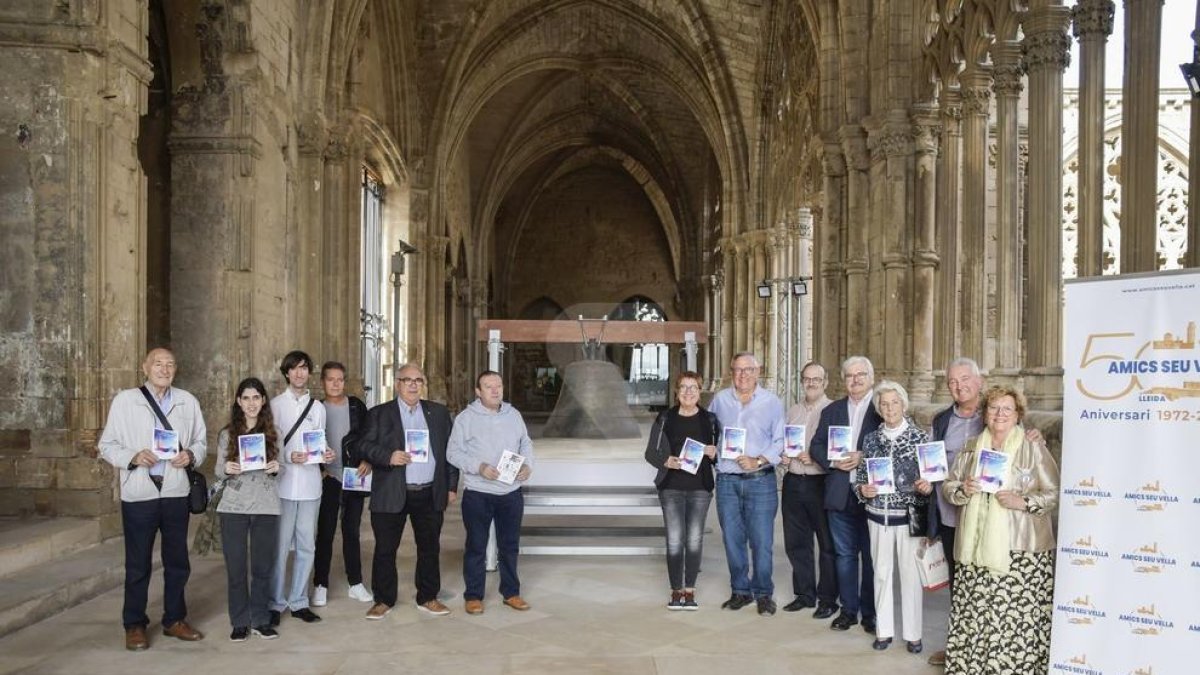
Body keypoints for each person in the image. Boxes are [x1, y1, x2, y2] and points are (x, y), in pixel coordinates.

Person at [926, 358, 1044, 667]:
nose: (959, 386)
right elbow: (939, 471)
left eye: (965, 379)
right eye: (952, 381)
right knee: (964, 591)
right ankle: (962, 650)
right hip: (955, 518)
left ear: (979, 382)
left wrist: (1035, 438)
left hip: (1002, 527)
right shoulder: (944, 422)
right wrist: (941, 485)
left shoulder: (1007, 426)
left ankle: (1000, 658)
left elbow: (1035, 475)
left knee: (1000, 597)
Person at [942, 385, 1059, 674]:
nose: (1000, 414)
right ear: (984, 414)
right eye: (994, 408)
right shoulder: (971, 447)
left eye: (1007, 408)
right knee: (977, 613)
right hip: (975, 548)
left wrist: (1024, 502)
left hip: (1021, 552)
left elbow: (1054, 493)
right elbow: (948, 487)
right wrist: (963, 489)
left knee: (1014, 618)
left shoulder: (1033, 447)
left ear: (1018, 414)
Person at [99, 347, 207, 650]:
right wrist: (133, 457)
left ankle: (175, 619)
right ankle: (134, 624)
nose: (164, 369)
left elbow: (201, 441)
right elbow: (106, 445)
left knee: (178, 562)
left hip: (175, 492)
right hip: (139, 494)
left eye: (170, 364)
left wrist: (190, 455)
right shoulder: (125, 401)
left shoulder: (187, 401)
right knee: (138, 565)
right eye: (158, 363)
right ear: (145, 368)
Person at [358, 363, 458, 619]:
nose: (413, 385)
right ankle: (383, 600)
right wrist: (388, 456)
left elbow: (450, 452)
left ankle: (428, 597)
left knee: (429, 548)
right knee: (385, 549)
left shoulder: (438, 413)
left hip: (429, 491)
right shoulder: (379, 413)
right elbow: (363, 446)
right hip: (392, 491)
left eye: (418, 380)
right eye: (407, 380)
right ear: (397, 384)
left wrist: (451, 486)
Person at [852, 380, 932, 653]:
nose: (889, 408)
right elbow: (859, 479)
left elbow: (932, 479)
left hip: (910, 517)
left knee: (911, 577)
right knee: (882, 574)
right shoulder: (871, 439)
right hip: (878, 517)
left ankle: (913, 634)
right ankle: (883, 630)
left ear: (903, 405)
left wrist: (928, 486)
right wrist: (863, 489)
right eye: (884, 404)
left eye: (894, 402)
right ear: (878, 408)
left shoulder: (920, 437)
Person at [447, 370, 535, 615]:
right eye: (488, 386)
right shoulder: (466, 418)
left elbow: (526, 442)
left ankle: (511, 593)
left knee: (510, 546)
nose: (495, 391)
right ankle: (473, 596)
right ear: (478, 391)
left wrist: (528, 465)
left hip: (511, 493)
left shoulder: (513, 415)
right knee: (476, 546)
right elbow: (452, 453)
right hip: (479, 493)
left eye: (499, 386)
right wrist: (479, 467)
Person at [707, 352, 784, 616]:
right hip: (727, 481)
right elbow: (709, 431)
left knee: (761, 541)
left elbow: (780, 441)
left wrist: (758, 460)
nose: (743, 375)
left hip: (760, 481)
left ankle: (763, 593)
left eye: (748, 369)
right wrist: (709, 451)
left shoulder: (772, 402)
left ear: (757, 371)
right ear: (731, 372)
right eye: (738, 370)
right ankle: (740, 590)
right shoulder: (720, 400)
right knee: (732, 539)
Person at [810, 355, 882, 633]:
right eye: (850, 375)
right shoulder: (833, 410)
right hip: (840, 493)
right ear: (843, 380)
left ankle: (870, 613)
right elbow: (817, 445)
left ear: (871, 378)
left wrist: (864, 456)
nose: (855, 380)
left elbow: (892, 446)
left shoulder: (882, 407)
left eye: (861, 374)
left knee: (872, 558)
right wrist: (832, 462)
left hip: (872, 494)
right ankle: (848, 610)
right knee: (844, 555)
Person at [643, 371, 720, 610]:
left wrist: (713, 453)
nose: (688, 392)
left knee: (694, 540)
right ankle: (676, 590)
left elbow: (719, 456)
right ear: (677, 392)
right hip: (671, 488)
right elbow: (650, 453)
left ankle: (690, 591)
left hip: (700, 489)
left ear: (699, 392)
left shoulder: (710, 420)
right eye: (684, 387)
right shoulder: (666, 418)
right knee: (675, 540)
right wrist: (666, 461)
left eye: (693, 387)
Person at [214, 377, 282, 642]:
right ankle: (240, 621)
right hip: (234, 506)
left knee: (263, 567)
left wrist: (277, 468)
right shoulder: (227, 434)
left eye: (256, 397)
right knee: (236, 567)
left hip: (266, 505)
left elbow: (283, 467)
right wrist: (227, 468)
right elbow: (218, 471)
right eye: (246, 398)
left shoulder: (274, 433)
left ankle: (261, 619)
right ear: (238, 402)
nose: (251, 403)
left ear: (263, 400)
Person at [269, 350, 333, 626]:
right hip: (282, 486)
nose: (299, 373)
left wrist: (326, 453)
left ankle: (299, 601)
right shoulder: (274, 406)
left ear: (309, 372)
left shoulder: (318, 408)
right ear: (286, 373)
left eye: (304, 368)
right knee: (280, 547)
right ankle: (275, 602)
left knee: (307, 545)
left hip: (310, 486)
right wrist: (286, 456)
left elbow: (320, 441)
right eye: (294, 368)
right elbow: (268, 446)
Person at [779, 361, 838, 618]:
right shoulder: (793, 411)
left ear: (825, 382)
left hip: (820, 482)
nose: (811, 383)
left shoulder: (834, 411)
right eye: (807, 379)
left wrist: (816, 459)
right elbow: (785, 442)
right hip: (793, 481)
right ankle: (804, 594)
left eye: (817, 379)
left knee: (827, 543)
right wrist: (783, 455)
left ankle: (828, 599)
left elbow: (839, 450)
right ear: (801, 381)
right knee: (796, 542)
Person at [311, 362, 372, 606]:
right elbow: (308, 441)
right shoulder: (316, 408)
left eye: (340, 379)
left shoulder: (356, 406)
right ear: (322, 382)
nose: (336, 384)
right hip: (329, 478)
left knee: (352, 531)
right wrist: (319, 469)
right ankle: (320, 584)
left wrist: (367, 459)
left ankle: (355, 583)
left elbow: (369, 436)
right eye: (331, 379)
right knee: (325, 533)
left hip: (354, 476)